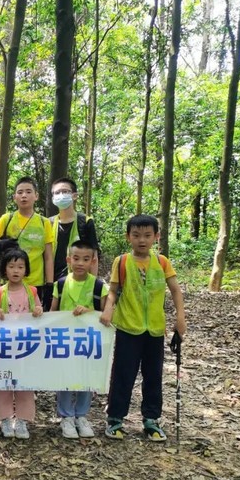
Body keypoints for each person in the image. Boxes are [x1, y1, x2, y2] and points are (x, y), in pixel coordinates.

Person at [100, 215, 186, 442]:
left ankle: (151, 420)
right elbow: (113, 291)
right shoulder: (122, 261)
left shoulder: (162, 262)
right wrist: (108, 308)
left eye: (147, 235)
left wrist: (180, 317)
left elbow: (175, 290)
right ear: (128, 237)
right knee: (123, 374)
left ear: (156, 237)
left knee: (153, 376)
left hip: (155, 330)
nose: (142, 240)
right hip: (128, 327)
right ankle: (115, 419)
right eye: (136, 235)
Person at [50, 239, 108, 439]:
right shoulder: (60, 284)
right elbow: (53, 312)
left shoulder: (99, 286)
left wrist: (88, 311)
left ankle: (81, 415)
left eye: (85, 259)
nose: (80, 263)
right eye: (76, 258)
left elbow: (106, 314)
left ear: (93, 261)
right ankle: (66, 416)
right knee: (65, 377)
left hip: (89, 342)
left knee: (86, 377)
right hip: (65, 341)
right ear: (68, 260)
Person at [0, 248, 42, 439]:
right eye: (11, 266)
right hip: (3, 346)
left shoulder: (32, 291)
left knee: (24, 383)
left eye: (20, 266)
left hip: (25, 346)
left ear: (26, 269)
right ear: (4, 269)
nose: (16, 270)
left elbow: (38, 309)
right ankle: (5, 419)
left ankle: (22, 421)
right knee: (4, 381)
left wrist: (38, 310)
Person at [0, 176, 54, 309]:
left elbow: (48, 257)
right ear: (14, 197)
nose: (24, 196)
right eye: (20, 192)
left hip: (35, 283)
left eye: (28, 192)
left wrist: (49, 284)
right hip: (10, 283)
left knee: (34, 319)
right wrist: (1, 244)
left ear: (36, 196)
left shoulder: (44, 223)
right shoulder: (7, 219)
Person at [48, 178, 100, 281]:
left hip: (79, 281)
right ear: (53, 198)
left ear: (74, 195)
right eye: (57, 193)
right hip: (53, 281)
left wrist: (93, 283)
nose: (61, 195)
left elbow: (94, 255)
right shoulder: (49, 223)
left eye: (65, 191)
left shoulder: (85, 221)